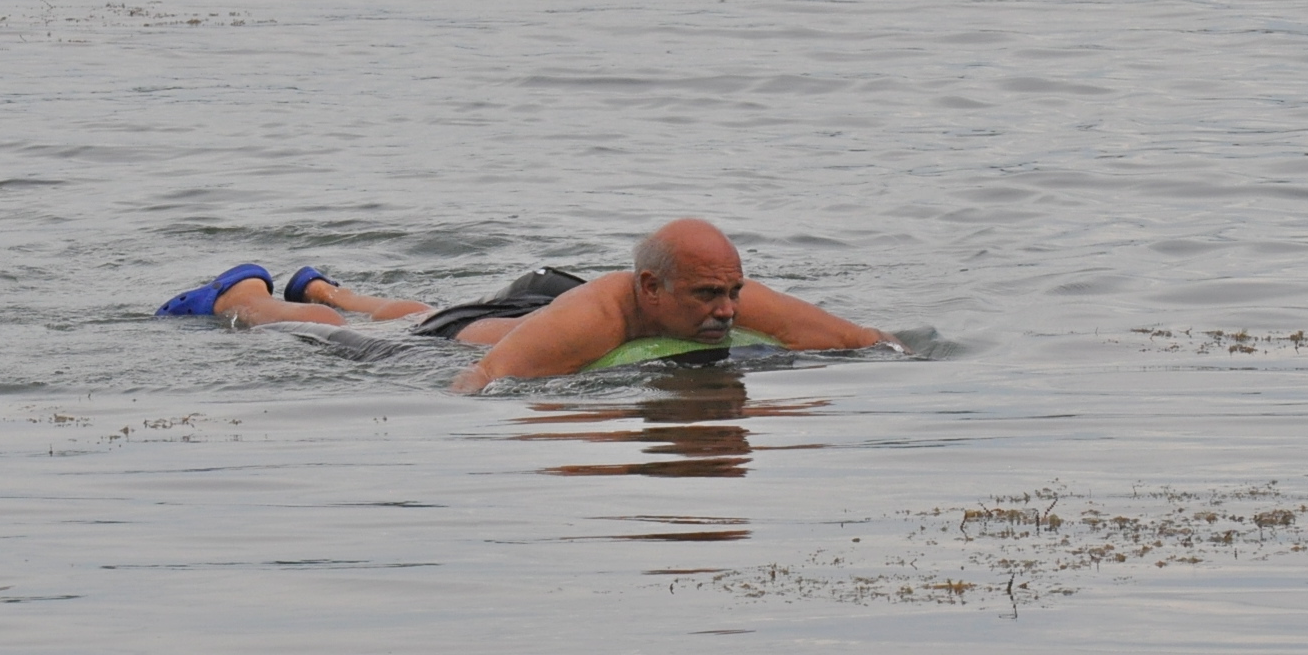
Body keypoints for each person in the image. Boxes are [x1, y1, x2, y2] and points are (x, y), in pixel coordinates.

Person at [156, 219, 908, 392]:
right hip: (477, 335)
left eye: (733, 293)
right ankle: (249, 293)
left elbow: (855, 340)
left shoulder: (732, 295)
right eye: (709, 296)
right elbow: (481, 380)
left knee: (413, 304)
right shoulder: (596, 321)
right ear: (653, 289)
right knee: (362, 332)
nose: (726, 310)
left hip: (534, 298)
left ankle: (322, 280)